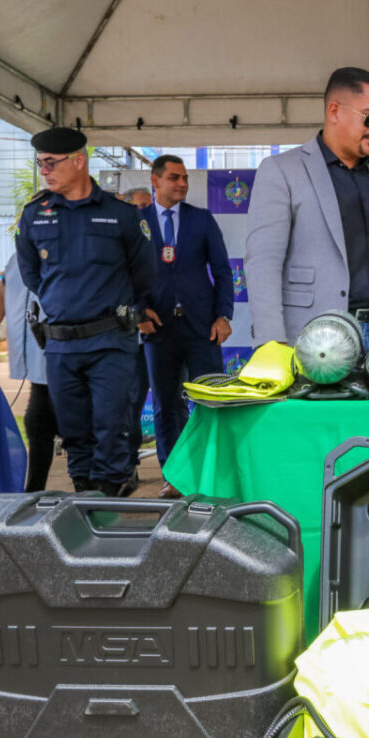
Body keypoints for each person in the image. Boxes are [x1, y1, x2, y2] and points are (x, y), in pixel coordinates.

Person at [15, 127, 155, 496]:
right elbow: (32, 274)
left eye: (50, 162)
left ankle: (106, 498)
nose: (43, 170)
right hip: (61, 344)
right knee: (73, 431)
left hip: (110, 341)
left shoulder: (121, 215)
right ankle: (83, 496)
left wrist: (111, 304)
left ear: (79, 161)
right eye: (40, 163)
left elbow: (144, 274)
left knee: (111, 426)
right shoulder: (35, 214)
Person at [245, 67, 369, 349]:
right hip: (312, 338)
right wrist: (271, 342)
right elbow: (263, 263)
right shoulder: (281, 170)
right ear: (334, 111)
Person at [138, 155, 234, 497]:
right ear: (156, 180)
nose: (182, 184)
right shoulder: (138, 222)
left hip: (202, 328)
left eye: (185, 179)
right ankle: (174, 477)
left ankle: (215, 472)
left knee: (213, 401)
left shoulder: (201, 219)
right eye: (174, 178)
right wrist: (139, 313)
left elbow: (223, 271)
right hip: (158, 330)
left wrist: (224, 316)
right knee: (167, 406)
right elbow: (126, 275)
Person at [0, 253, 61, 491]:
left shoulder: (63, 248)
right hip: (36, 364)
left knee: (69, 428)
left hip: (66, 357)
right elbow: (2, 293)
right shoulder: (15, 259)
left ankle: (95, 491)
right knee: (37, 423)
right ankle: (33, 492)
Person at [119, 187, 154, 496]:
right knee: (128, 405)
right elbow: (117, 300)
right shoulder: (116, 245)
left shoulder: (160, 240)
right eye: (138, 207)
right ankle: (126, 467)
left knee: (170, 407)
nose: (144, 212)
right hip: (127, 342)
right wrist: (133, 316)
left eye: (148, 206)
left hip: (160, 339)